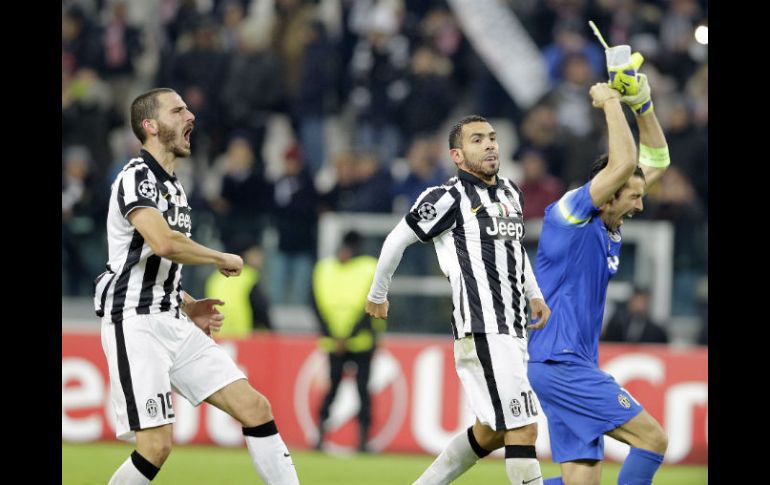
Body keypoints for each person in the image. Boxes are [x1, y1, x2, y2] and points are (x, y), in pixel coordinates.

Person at [93, 88, 299, 485]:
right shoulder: (135, 178)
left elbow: (154, 263)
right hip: (135, 323)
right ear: (150, 126)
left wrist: (187, 304)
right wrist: (221, 257)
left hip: (172, 319)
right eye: (178, 110)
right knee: (155, 446)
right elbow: (164, 243)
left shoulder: (174, 186)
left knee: (255, 407)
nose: (190, 116)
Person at [366, 115, 552, 485]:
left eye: (493, 138)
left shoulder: (511, 192)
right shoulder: (447, 197)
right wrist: (377, 293)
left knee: (490, 432)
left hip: (513, 328)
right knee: (524, 428)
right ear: (457, 154)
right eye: (477, 140)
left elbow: (514, 250)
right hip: (484, 328)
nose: (490, 145)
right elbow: (396, 240)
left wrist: (534, 293)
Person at [527, 73, 671, 485]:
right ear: (607, 192)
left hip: (568, 363)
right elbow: (622, 163)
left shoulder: (611, 218)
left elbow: (656, 160)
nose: (641, 205)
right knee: (652, 439)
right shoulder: (569, 214)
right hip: (562, 363)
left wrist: (642, 105)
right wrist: (610, 100)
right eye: (634, 196)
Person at [313, 231, 382, 452]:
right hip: (346, 341)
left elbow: (315, 303)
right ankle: (356, 441)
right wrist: (339, 336)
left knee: (345, 389)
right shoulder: (368, 267)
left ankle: (329, 439)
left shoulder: (326, 268)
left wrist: (338, 336)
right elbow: (373, 303)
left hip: (351, 341)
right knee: (349, 389)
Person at [601, 287, 669, 344]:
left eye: (642, 302)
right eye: (636, 301)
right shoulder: (617, 325)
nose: (638, 305)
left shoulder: (657, 331)